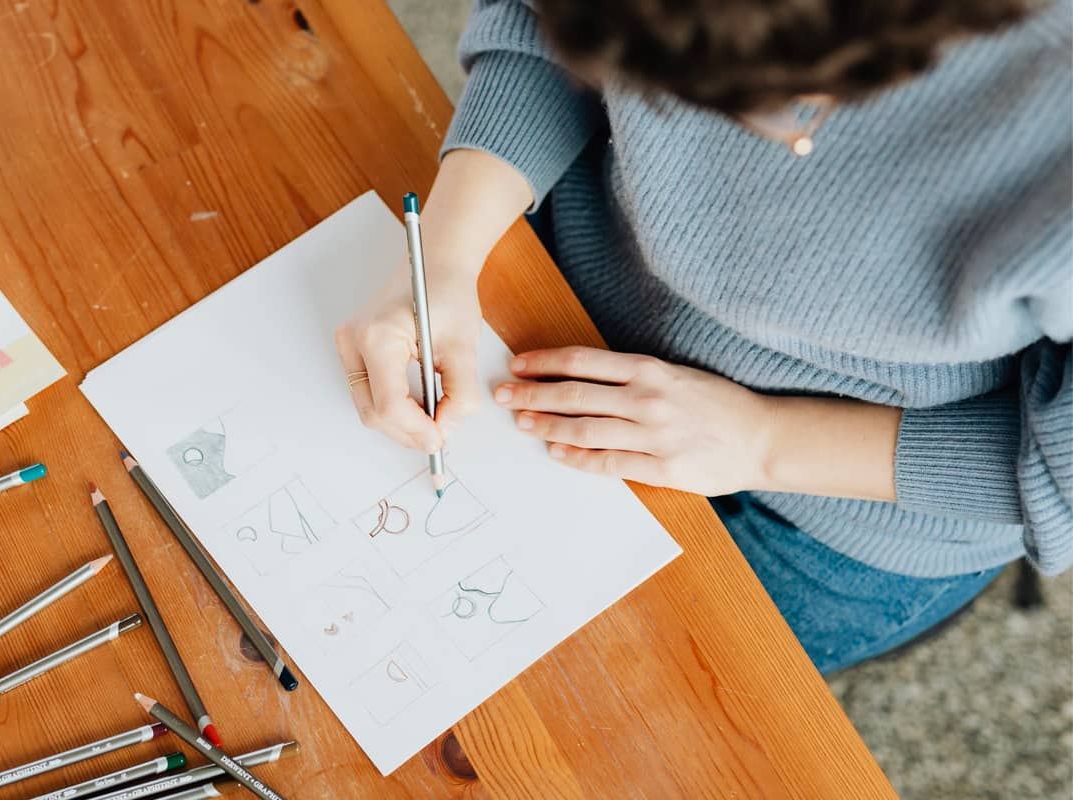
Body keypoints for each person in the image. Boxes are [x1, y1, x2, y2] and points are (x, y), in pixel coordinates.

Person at [336, 0, 1072, 673]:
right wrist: (444, 254)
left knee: (581, 685)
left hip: (856, 500)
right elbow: (538, 29)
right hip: (575, 288)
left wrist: (763, 440)